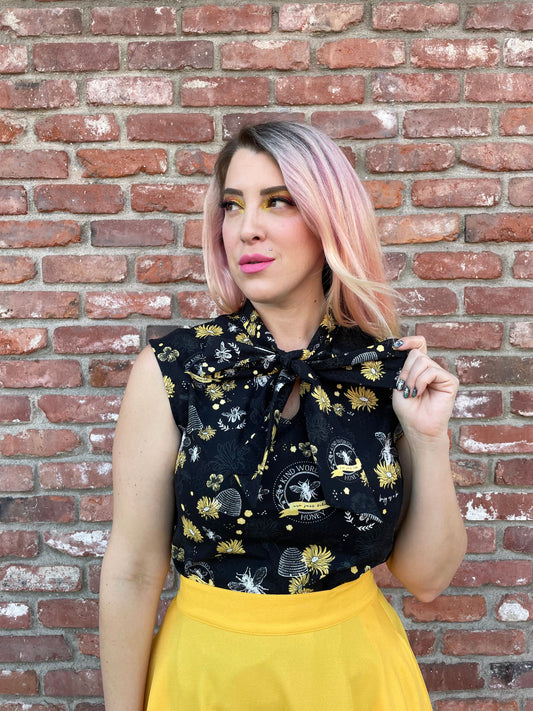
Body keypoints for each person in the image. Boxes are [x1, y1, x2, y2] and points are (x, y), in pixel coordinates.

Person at [99, 121, 467, 711]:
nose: (247, 229)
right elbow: (134, 568)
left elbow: (427, 579)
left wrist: (428, 439)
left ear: (330, 219)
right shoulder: (175, 370)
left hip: (355, 677)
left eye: (279, 202)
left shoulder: (382, 370)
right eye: (232, 206)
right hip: (208, 677)